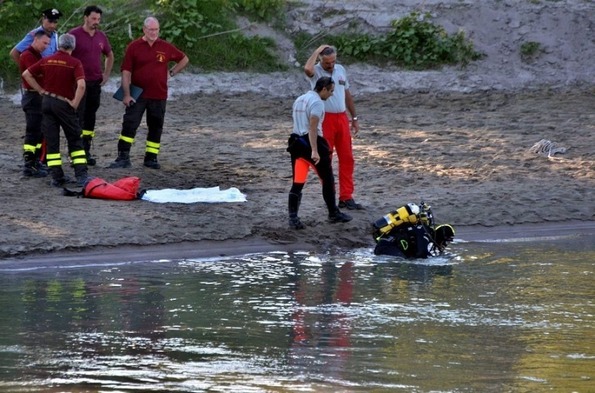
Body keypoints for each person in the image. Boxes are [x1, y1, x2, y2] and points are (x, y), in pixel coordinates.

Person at [108, 16, 189, 170]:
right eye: (150, 29)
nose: (153, 32)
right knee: (130, 124)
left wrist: (171, 73)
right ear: (144, 29)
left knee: (156, 126)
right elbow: (126, 71)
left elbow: (184, 59)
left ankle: (151, 158)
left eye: (156, 29)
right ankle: (123, 157)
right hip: (137, 93)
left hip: (159, 94)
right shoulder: (134, 47)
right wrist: (126, 94)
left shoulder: (165, 46)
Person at [22, 33, 89, 188]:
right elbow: (82, 85)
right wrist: (75, 103)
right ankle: (81, 175)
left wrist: (40, 90)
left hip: (46, 103)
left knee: (52, 141)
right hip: (63, 103)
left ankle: (56, 177)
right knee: (74, 138)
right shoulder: (75, 62)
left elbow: (27, 74)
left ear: (58, 45)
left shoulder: (47, 60)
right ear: (73, 46)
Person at [287, 76, 352, 229]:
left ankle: (293, 218)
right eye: (330, 91)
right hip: (310, 143)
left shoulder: (300, 99)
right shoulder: (317, 103)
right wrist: (315, 150)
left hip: (296, 143)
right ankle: (333, 213)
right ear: (323, 89)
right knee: (328, 179)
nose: (331, 95)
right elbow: (313, 127)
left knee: (298, 182)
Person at [304, 45, 363, 210]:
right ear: (321, 60)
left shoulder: (340, 69)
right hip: (325, 119)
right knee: (324, 160)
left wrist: (354, 117)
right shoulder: (315, 72)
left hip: (342, 118)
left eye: (333, 61)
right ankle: (330, 195)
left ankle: (346, 197)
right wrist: (317, 51)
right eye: (327, 62)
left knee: (347, 158)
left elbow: (346, 93)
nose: (331, 65)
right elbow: (307, 68)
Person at [69, 5, 114, 166]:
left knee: (90, 116)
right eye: (94, 18)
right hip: (79, 83)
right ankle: (76, 153)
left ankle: (86, 150)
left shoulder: (101, 36)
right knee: (77, 116)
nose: (96, 22)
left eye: (98, 19)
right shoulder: (73, 35)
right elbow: (64, 55)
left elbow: (109, 54)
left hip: (96, 82)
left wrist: (107, 73)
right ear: (85, 17)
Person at [18, 30, 51, 177]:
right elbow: (34, 74)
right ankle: (29, 164)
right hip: (32, 97)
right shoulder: (27, 55)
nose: (46, 46)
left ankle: (36, 161)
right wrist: (41, 90)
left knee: (39, 131)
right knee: (33, 132)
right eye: (44, 43)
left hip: (37, 97)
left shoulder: (37, 55)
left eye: (48, 44)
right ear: (35, 40)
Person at [372, 202, 455, 258]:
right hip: (387, 249)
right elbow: (422, 254)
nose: (445, 245)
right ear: (442, 237)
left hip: (383, 248)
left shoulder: (420, 230)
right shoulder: (425, 231)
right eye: (446, 241)